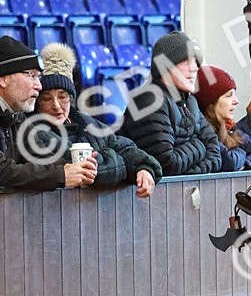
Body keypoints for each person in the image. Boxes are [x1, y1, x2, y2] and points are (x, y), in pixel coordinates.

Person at [34, 43, 161, 196]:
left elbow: (122, 146)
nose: (56, 105)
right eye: (47, 98)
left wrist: (143, 168)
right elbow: (81, 167)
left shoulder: (85, 122)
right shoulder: (33, 133)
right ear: (37, 102)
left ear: (71, 98)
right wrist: (121, 163)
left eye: (62, 97)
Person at [0, 34, 96, 192]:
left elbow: (41, 156)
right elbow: (3, 171)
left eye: (38, 77)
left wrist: (78, 168)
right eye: (31, 75)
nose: (38, 86)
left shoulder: (16, 115)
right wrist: (61, 175)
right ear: (3, 79)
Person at [122, 31, 222, 176]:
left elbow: (216, 155)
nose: (195, 68)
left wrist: (190, 172)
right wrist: (200, 144)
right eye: (186, 61)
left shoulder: (190, 101)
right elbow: (166, 164)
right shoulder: (149, 101)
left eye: (196, 61)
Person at [195, 65, 251, 172]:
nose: (236, 101)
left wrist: (246, 163)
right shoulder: (201, 133)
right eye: (229, 95)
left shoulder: (231, 131)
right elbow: (230, 160)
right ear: (210, 103)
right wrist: (241, 152)